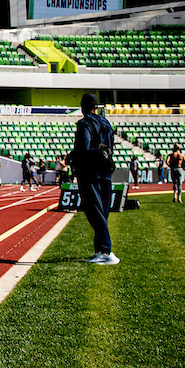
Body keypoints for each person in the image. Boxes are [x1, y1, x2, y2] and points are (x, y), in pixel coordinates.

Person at [70, 93, 118, 265]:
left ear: (83, 107)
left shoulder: (84, 124)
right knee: (103, 210)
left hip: (90, 172)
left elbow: (84, 148)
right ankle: (99, 250)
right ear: (95, 106)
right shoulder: (106, 123)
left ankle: (106, 250)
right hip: (106, 169)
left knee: (94, 210)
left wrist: (72, 156)